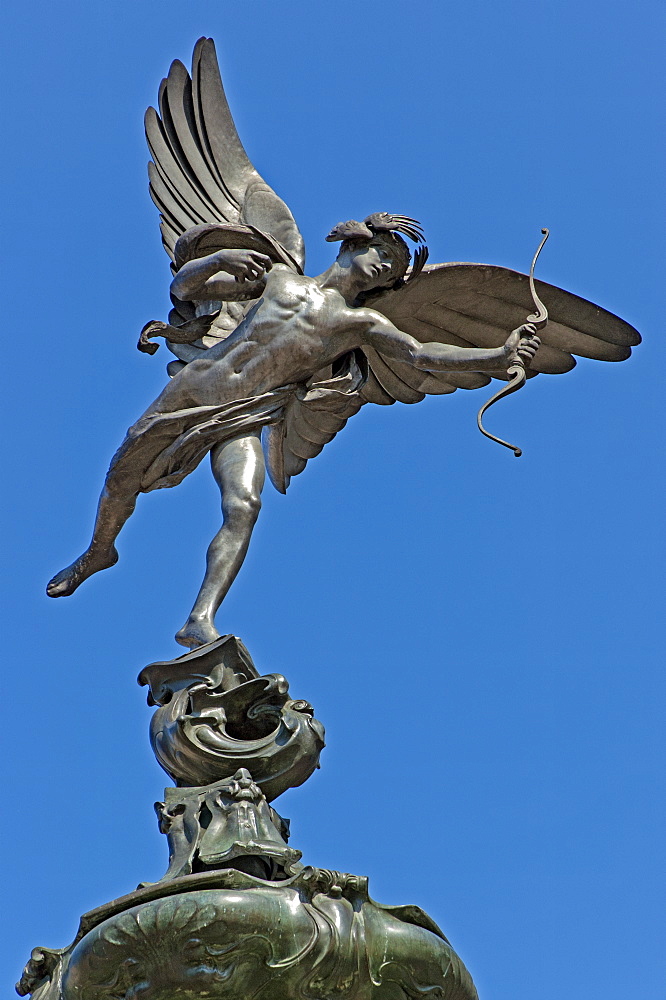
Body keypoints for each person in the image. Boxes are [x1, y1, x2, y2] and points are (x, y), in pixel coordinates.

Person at [47, 226, 540, 649]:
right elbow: (183, 289)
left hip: (243, 416)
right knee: (122, 477)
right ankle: (99, 550)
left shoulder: (358, 323)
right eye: (382, 254)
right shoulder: (277, 279)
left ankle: (199, 619)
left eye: (391, 271)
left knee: (244, 506)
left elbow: (419, 354)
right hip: (191, 391)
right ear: (351, 244)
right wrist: (218, 259)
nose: (383, 268)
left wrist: (497, 357)